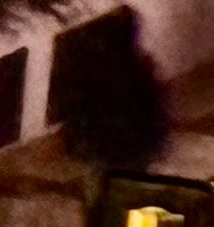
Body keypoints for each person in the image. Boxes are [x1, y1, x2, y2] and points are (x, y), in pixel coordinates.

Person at [59, 16, 171, 177]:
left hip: (114, 144)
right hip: (130, 143)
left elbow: (84, 108)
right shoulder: (140, 68)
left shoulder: (100, 70)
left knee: (111, 178)